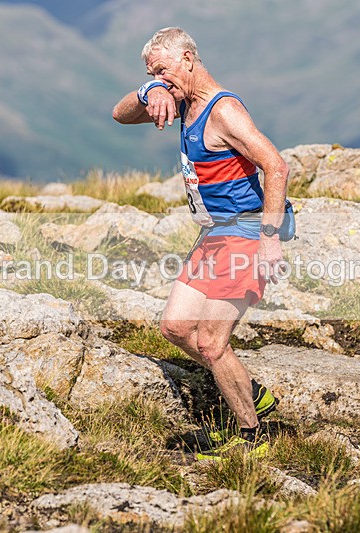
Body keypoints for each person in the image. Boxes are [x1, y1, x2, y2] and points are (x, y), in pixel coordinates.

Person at [112, 27, 289, 460]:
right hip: (213, 236)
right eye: (153, 72)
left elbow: (276, 166)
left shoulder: (223, 111)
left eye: (164, 69)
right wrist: (149, 87)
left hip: (245, 234)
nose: (161, 78)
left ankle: (251, 440)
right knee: (174, 327)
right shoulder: (179, 102)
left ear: (189, 59)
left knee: (211, 342)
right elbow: (120, 114)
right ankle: (248, 390)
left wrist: (269, 239)